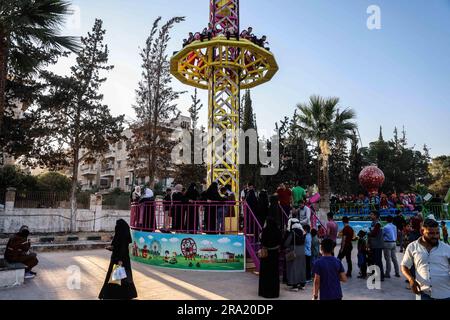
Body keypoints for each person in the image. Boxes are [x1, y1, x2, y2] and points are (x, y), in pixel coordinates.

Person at [401, 218, 450, 300]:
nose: (435, 236)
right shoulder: (412, 247)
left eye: (437, 233)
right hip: (423, 293)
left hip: (444, 293)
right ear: (422, 231)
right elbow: (404, 266)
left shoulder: (447, 248)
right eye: (431, 233)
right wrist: (411, 279)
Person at [99, 219, 138, 300]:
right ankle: (125, 294)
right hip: (121, 259)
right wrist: (111, 248)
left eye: (117, 226)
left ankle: (112, 294)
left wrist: (120, 261)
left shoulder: (122, 237)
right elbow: (117, 245)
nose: (116, 227)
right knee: (121, 278)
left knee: (116, 278)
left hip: (119, 260)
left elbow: (122, 249)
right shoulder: (122, 235)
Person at [258, 216, 282, 298]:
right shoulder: (278, 230)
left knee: (266, 274)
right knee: (274, 274)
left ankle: (265, 292)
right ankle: (274, 293)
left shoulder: (265, 231)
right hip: (275, 255)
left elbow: (262, 241)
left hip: (266, 255)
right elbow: (280, 241)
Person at [283, 211, 306, 291]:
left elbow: (287, 243)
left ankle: (295, 285)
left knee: (293, 268)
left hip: (294, 250)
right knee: (301, 267)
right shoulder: (302, 231)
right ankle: (302, 284)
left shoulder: (292, 232)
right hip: (302, 250)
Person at [368, 211, 385, 281]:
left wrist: (368, 233)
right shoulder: (373, 223)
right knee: (374, 260)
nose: (370, 215)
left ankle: (380, 276)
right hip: (374, 245)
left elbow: (374, 234)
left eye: (371, 214)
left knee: (378, 261)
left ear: (375, 216)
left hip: (377, 245)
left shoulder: (378, 224)